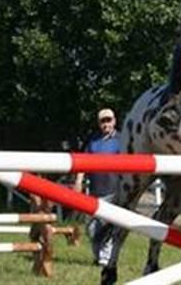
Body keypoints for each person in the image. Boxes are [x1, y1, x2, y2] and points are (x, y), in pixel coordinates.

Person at [74, 108, 121, 266]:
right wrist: (79, 180)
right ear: (99, 123)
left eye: (109, 120)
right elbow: (83, 161)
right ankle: (98, 255)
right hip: (94, 191)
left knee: (106, 225)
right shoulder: (93, 141)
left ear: (114, 121)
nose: (106, 123)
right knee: (91, 227)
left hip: (114, 190)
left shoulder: (121, 140)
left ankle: (105, 258)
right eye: (103, 121)